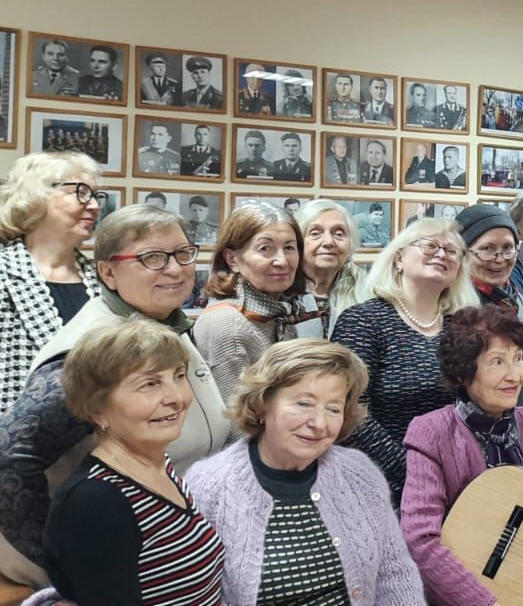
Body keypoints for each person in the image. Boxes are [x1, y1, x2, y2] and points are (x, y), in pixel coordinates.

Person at [0, 204, 229, 589]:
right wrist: (59, 558)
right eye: (152, 258)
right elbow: (2, 457)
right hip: (105, 570)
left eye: (182, 253)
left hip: (159, 549)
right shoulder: (93, 350)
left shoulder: (161, 325)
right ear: (108, 272)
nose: (175, 269)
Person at [187, 339, 423, 606]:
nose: (319, 423)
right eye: (304, 403)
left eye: (333, 409)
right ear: (262, 404)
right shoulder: (207, 486)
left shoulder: (359, 473)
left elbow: (395, 573)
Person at [0, 152, 102, 565]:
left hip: (86, 485)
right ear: (35, 197)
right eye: (80, 192)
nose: (93, 204)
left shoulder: (104, 284)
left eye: (97, 195)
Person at [43, 316, 225, 605]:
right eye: (150, 384)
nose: (177, 397)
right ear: (97, 408)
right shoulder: (95, 502)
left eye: (179, 376)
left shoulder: (159, 464)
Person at [401, 305, 523, 606]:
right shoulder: (431, 432)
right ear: (463, 371)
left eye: (518, 359)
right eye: (497, 362)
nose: (515, 375)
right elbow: (420, 541)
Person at [335, 219, 479, 496]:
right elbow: (349, 412)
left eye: (451, 251)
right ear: (399, 258)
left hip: (460, 485)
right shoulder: (362, 321)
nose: (441, 254)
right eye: (429, 245)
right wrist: (417, 473)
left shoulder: (465, 327)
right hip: (381, 486)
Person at [192, 203, 307, 398]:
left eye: (289, 247)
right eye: (265, 248)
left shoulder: (277, 312)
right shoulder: (229, 325)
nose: (282, 260)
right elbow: (234, 416)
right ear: (232, 259)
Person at [453, 204, 523, 410]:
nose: (499, 259)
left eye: (508, 248)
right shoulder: (462, 311)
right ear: (463, 253)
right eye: (487, 249)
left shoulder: (512, 296)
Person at [297, 199, 366, 338]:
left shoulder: (368, 292)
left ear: (350, 244)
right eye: (315, 233)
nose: (328, 242)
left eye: (339, 234)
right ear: (297, 242)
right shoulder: (280, 292)